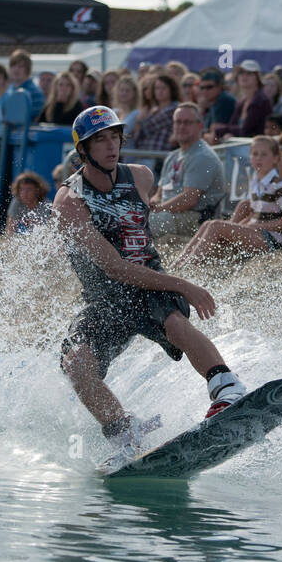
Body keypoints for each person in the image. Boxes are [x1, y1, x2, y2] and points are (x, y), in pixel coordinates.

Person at [55, 105, 248, 468]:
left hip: (149, 286)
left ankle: (227, 389)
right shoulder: (69, 201)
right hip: (106, 298)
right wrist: (186, 285)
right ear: (83, 151)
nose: (112, 146)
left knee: (175, 323)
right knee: (76, 364)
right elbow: (112, 266)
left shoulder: (141, 176)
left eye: (115, 137)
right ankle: (125, 432)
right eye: (100, 141)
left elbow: (144, 217)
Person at [172, 135, 282, 265]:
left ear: (275, 158)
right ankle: (179, 263)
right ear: (250, 157)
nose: (258, 158)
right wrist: (244, 225)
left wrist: (258, 225)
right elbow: (256, 215)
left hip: (275, 240)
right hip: (261, 234)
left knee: (215, 226)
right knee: (208, 224)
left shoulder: (279, 185)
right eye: (255, 154)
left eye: (264, 154)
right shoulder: (257, 182)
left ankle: (189, 265)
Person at [148, 102, 227, 238]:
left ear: (200, 126)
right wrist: (153, 203)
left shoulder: (202, 156)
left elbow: (189, 199)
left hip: (195, 218)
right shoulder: (173, 156)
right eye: (177, 122)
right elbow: (159, 194)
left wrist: (157, 210)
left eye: (187, 122)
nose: (181, 126)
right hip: (170, 213)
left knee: (144, 222)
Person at [216, 61, 272, 140]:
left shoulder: (260, 100)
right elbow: (232, 126)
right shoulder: (242, 102)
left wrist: (219, 131)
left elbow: (246, 131)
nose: (244, 76)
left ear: (257, 78)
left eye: (249, 73)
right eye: (241, 73)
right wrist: (226, 132)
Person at [132, 72, 181, 152]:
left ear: (171, 89)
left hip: (159, 156)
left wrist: (140, 121)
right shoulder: (154, 110)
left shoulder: (174, 108)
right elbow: (136, 136)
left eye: (164, 88)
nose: (160, 91)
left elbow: (147, 128)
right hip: (145, 153)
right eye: (157, 88)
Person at [6, 171, 53, 235]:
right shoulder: (17, 202)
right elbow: (10, 229)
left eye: (29, 189)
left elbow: (45, 231)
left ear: (37, 191)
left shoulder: (46, 205)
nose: (25, 193)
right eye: (21, 189)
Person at [198, 69, 237, 142]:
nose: (205, 91)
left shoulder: (224, 100)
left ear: (220, 86)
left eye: (209, 87)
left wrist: (204, 135)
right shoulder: (212, 101)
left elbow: (215, 136)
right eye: (202, 88)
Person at [7, 49, 45, 119]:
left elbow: (32, 117)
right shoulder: (8, 89)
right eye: (13, 65)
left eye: (20, 66)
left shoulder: (35, 92)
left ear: (28, 69)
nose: (16, 69)